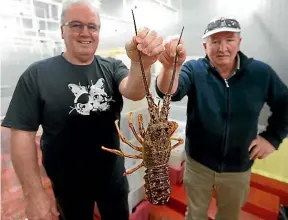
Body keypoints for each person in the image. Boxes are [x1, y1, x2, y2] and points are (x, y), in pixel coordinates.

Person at [1, 0, 165, 219]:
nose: (85, 33)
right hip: (67, 183)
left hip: (112, 176)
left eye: (92, 26)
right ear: (62, 31)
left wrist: (140, 65)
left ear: (98, 32)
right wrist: (34, 194)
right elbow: (22, 134)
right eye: (76, 25)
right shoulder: (36, 75)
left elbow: (134, 91)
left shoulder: (112, 66)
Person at [156, 16, 288, 220]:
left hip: (239, 165)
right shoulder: (194, 69)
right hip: (198, 163)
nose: (222, 47)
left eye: (229, 40)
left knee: (229, 215)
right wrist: (169, 67)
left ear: (239, 42)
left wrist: (273, 138)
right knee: (195, 213)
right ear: (205, 45)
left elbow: (285, 104)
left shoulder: (261, 73)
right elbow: (169, 92)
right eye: (215, 41)